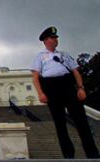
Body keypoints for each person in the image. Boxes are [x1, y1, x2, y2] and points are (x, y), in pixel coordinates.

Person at [31, 26, 99, 158]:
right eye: (53, 38)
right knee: (60, 124)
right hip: (51, 88)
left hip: (67, 86)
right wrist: (40, 93)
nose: (56, 40)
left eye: (56, 38)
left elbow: (75, 72)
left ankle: (93, 154)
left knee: (82, 121)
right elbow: (35, 77)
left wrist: (81, 88)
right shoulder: (40, 57)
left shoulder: (64, 55)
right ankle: (68, 155)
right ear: (46, 40)